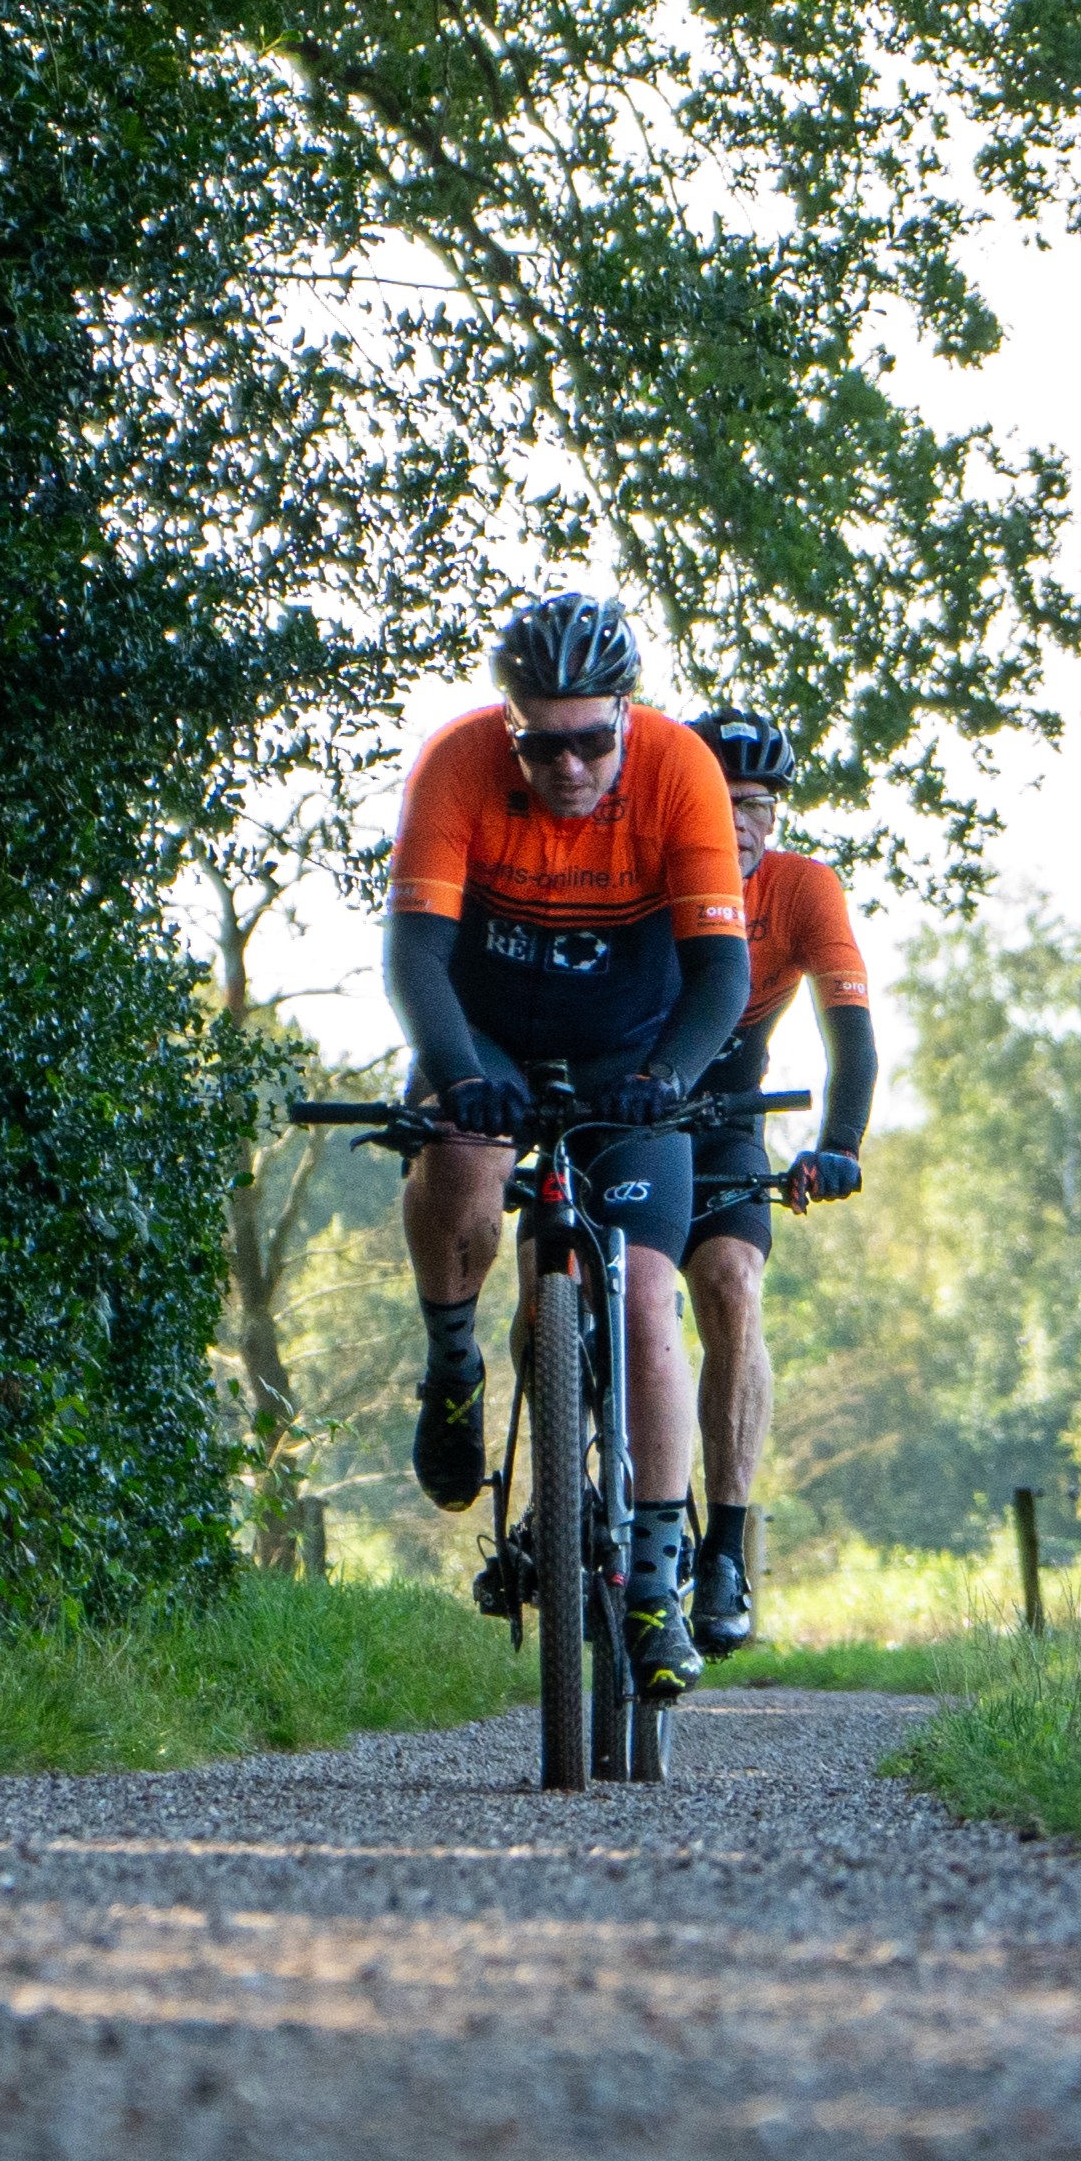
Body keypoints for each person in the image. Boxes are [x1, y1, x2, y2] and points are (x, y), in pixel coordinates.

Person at [384, 591, 751, 1699]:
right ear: (512, 730)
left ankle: (651, 1577)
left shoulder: (682, 771)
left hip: (632, 1052)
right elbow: (414, 961)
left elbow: (723, 973)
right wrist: (459, 1081)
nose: (571, 766)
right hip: (489, 1034)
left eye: (594, 740)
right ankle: (453, 1360)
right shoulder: (454, 767)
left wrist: (668, 1081)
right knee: (459, 1166)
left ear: (627, 723)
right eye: (544, 744)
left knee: (646, 1297)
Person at [678, 711, 873, 1655]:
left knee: (731, 1285)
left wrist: (839, 1141)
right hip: (615, 1103)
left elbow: (851, 1032)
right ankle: (564, 1492)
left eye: (758, 804)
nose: (743, 823)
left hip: (724, 1119)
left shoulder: (802, 890)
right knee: (562, 1279)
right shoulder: (642, 875)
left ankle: (721, 1549)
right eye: (722, 802)